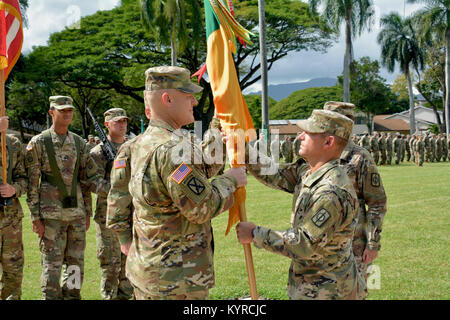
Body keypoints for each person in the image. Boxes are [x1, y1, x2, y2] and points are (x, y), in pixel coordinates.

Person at [122, 66, 247, 300]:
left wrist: (219, 125)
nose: (194, 100)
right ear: (167, 98)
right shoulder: (172, 151)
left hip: (154, 272)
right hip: (175, 281)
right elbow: (202, 207)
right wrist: (230, 180)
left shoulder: (142, 143)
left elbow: (203, 168)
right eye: (187, 95)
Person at [237, 109, 364, 300]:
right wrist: (241, 147)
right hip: (311, 286)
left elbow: (304, 243)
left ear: (328, 142)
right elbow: (275, 174)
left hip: (328, 291)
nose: (301, 136)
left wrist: (255, 233)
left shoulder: (330, 192)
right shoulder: (309, 171)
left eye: (309, 133)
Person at [25, 96, 98, 300]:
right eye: (61, 110)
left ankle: (72, 297)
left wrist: (87, 213)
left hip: (76, 214)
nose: (66, 114)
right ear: (51, 112)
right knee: (52, 265)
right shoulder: (39, 142)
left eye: (69, 110)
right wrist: (35, 217)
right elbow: (33, 183)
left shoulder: (79, 142)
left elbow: (85, 179)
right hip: (51, 216)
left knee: (75, 264)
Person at [322, 102, 387, 299]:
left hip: (354, 247)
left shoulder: (359, 158)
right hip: (323, 245)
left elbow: (377, 202)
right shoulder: (320, 154)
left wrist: (373, 243)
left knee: (353, 294)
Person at [90, 108, 133, 300]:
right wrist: (119, 189)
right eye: (117, 122)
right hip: (107, 216)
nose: (122, 125)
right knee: (110, 265)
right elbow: (93, 182)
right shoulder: (98, 152)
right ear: (107, 124)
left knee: (130, 263)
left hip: (132, 215)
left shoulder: (132, 147)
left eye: (124, 121)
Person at [0, 116, 28, 300]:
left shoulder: (13, 143)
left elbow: (24, 179)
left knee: (13, 272)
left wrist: (14, 189)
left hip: (10, 221)